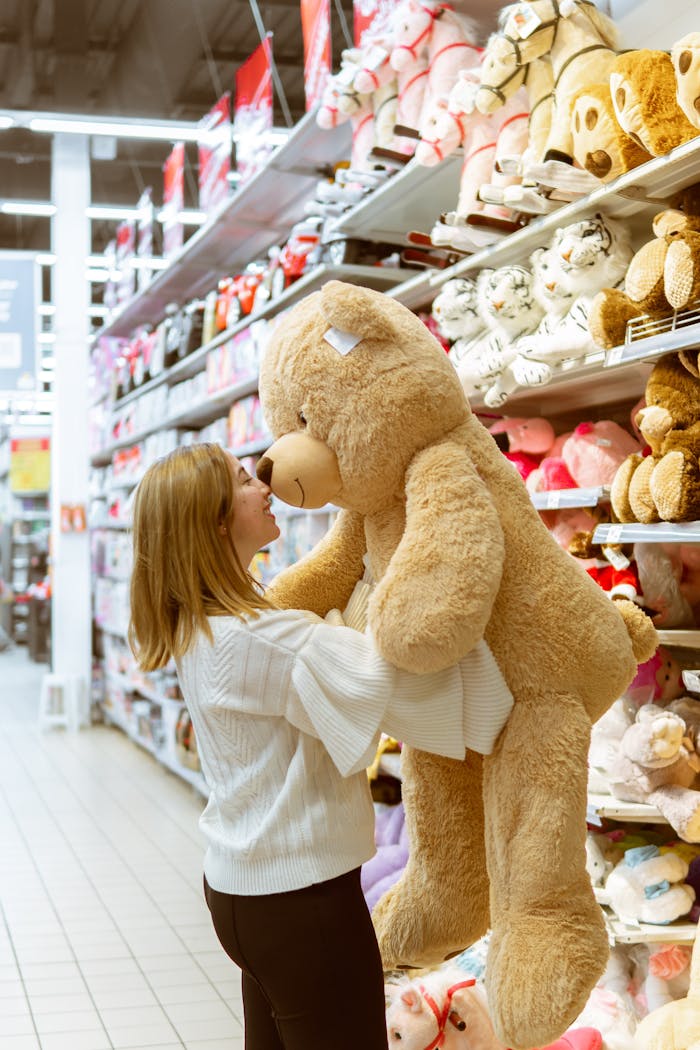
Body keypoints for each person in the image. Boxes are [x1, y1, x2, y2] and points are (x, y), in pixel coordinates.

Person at [128, 442, 514, 1050]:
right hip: (301, 902)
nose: (263, 483)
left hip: (242, 893)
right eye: (241, 479)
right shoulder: (262, 638)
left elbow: (328, 661)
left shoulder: (204, 626)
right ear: (218, 520)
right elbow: (383, 673)